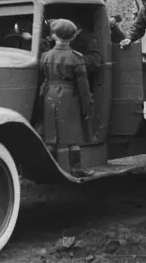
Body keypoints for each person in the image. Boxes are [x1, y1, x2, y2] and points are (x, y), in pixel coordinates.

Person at [39, 19, 94, 177]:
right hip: (70, 97)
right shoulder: (76, 57)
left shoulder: (45, 56)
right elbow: (83, 87)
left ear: (54, 36)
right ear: (73, 37)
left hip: (49, 95)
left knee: (50, 135)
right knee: (72, 136)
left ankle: (50, 171)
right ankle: (76, 169)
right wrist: (86, 107)